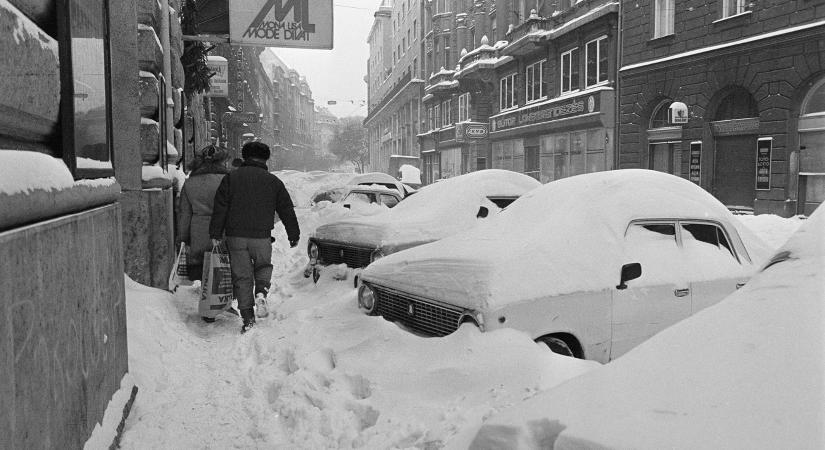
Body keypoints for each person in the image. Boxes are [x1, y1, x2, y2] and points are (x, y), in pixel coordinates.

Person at [209, 141, 300, 333]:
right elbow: (286, 210)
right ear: (266, 158)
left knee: (242, 276)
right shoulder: (274, 182)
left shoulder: (231, 178)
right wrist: (294, 234)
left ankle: (248, 318)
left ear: (244, 156)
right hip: (262, 237)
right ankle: (261, 291)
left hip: (236, 237)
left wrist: (215, 233)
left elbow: (220, 208)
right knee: (263, 266)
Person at [177, 145, 230, 322]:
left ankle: (208, 303)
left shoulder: (190, 182)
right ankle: (221, 302)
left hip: (198, 228)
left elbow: (185, 213)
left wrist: (183, 236)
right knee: (221, 264)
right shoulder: (228, 179)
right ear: (222, 160)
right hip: (222, 228)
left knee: (203, 267)